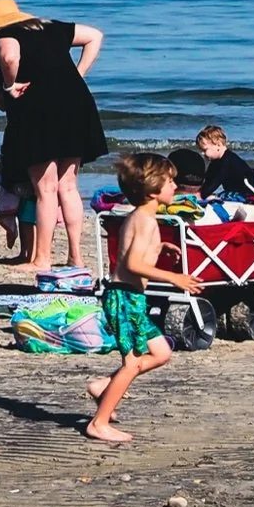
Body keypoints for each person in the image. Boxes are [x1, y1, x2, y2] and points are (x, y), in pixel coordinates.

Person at [0, 0, 109, 280]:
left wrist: (9, 86)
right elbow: (95, 36)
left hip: (39, 109)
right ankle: (76, 255)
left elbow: (10, 57)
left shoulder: (6, 35)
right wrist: (78, 74)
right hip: (77, 104)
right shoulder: (51, 26)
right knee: (68, 186)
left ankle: (42, 259)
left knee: (46, 188)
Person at [86, 152, 200, 444]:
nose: (175, 186)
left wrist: (160, 247)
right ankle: (99, 423)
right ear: (152, 190)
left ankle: (104, 386)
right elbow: (132, 264)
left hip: (133, 299)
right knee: (132, 363)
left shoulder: (142, 217)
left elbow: (133, 250)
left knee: (161, 353)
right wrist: (174, 277)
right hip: (124, 298)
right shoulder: (144, 220)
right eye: (170, 181)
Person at [190, 125, 254, 204]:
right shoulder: (217, 161)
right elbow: (208, 179)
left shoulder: (228, 161)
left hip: (246, 195)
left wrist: (201, 195)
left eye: (205, 150)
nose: (202, 153)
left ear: (218, 144)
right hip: (233, 193)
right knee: (211, 195)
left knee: (213, 197)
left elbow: (216, 181)